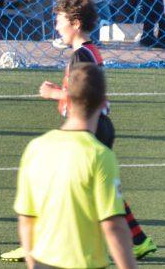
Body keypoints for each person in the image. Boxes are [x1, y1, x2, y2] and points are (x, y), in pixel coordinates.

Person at [1, 0, 156, 262]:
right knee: (101, 187)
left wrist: (53, 93)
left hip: (88, 127)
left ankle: (33, 244)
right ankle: (139, 240)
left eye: (59, 20)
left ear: (75, 23)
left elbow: (82, 94)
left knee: (57, 182)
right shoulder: (89, 50)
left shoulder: (81, 55)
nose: (56, 26)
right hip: (97, 124)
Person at [12, 62, 137, 269]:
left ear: (67, 100)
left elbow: (26, 219)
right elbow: (113, 225)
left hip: (43, 263)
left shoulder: (36, 148)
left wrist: (33, 264)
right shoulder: (100, 156)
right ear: (103, 102)